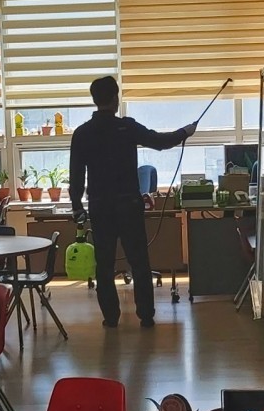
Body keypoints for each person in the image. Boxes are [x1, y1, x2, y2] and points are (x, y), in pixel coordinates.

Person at [69, 75, 197, 328]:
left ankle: (111, 318)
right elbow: (159, 142)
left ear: (95, 100)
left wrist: (77, 206)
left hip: (100, 206)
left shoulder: (82, 133)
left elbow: (76, 175)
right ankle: (146, 315)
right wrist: (185, 132)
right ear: (114, 99)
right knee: (139, 262)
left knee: (104, 265)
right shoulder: (127, 128)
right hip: (128, 205)